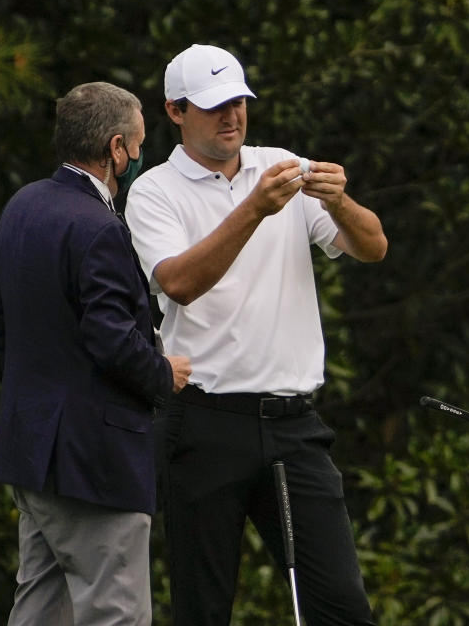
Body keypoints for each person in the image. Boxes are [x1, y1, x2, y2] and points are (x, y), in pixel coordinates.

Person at [124, 44, 387, 626]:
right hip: (203, 425)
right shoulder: (153, 192)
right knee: (203, 608)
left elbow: (373, 247)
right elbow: (180, 284)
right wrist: (253, 210)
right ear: (175, 111)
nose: (232, 117)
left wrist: (341, 202)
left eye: (239, 102)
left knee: (342, 607)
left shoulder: (280, 165)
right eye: (215, 105)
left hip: (294, 427)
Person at [0, 82, 192, 625]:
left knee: (38, 608)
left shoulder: (23, 205)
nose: (139, 157)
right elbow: (110, 339)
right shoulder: (98, 226)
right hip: (93, 460)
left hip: (31, 448)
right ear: (116, 148)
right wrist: (162, 372)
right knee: (116, 613)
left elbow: (5, 328)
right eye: (139, 145)